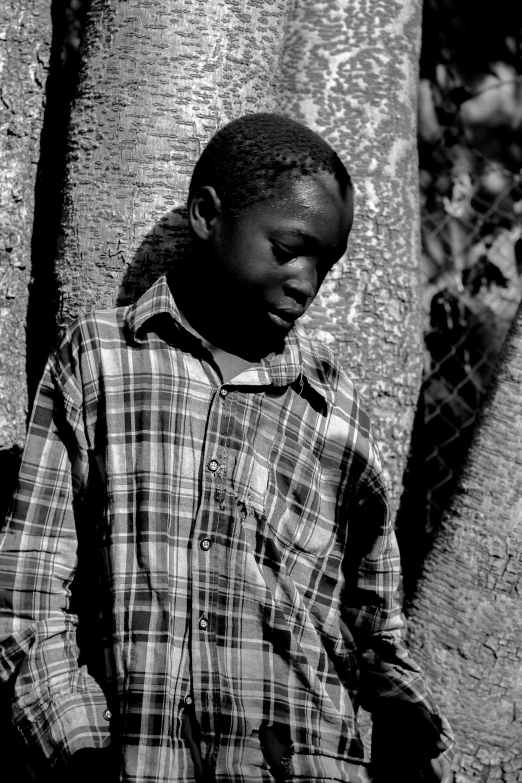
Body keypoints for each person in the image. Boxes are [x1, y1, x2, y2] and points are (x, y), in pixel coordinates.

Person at [0, 113, 453, 783]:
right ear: (209, 214)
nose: (308, 281)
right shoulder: (102, 362)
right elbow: (29, 591)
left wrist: (407, 726)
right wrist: (78, 746)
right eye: (289, 247)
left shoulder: (333, 406)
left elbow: (372, 621)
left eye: (325, 263)